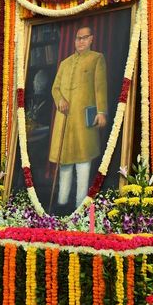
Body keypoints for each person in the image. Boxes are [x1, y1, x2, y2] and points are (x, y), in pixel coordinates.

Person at [49, 25, 107, 210]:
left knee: (83, 162)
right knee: (65, 162)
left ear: (91, 39)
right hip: (65, 119)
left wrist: (101, 112)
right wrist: (60, 100)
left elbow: (100, 87)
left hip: (84, 119)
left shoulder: (96, 59)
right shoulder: (64, 63)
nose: (80, 41)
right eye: (77, 38)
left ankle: (80, 206)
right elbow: (55, 88)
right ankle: (62, 203)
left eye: (84, 38)